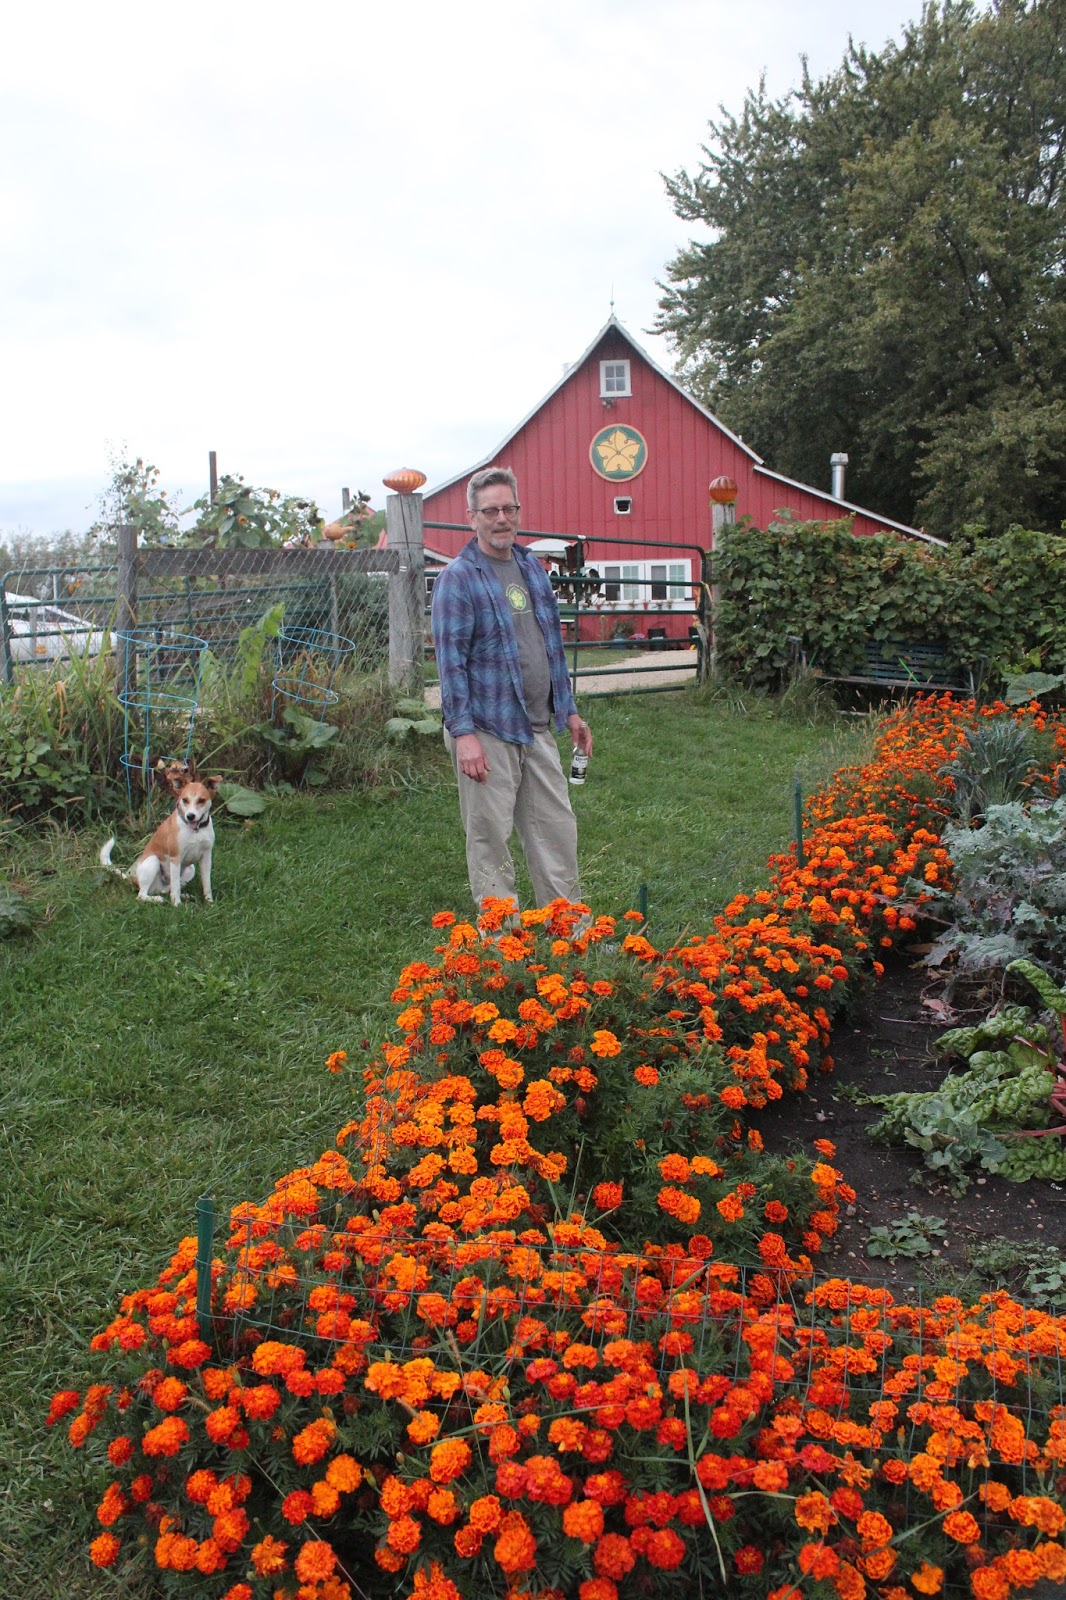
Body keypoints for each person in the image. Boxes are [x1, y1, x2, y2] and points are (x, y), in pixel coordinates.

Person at [431, 466, 593, 913]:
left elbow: (550, 646)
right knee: (490, 838)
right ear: (472, 517)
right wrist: (463, 735)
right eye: (490, 510)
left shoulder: (531, 569)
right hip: (486, 729)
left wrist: (571, 712)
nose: (501, 518)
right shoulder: (458, 579)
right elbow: (450, 663)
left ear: (518, 511)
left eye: (508, 508)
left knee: (556, 831)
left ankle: (569, 933)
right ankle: (503, 948)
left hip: (537, 726)